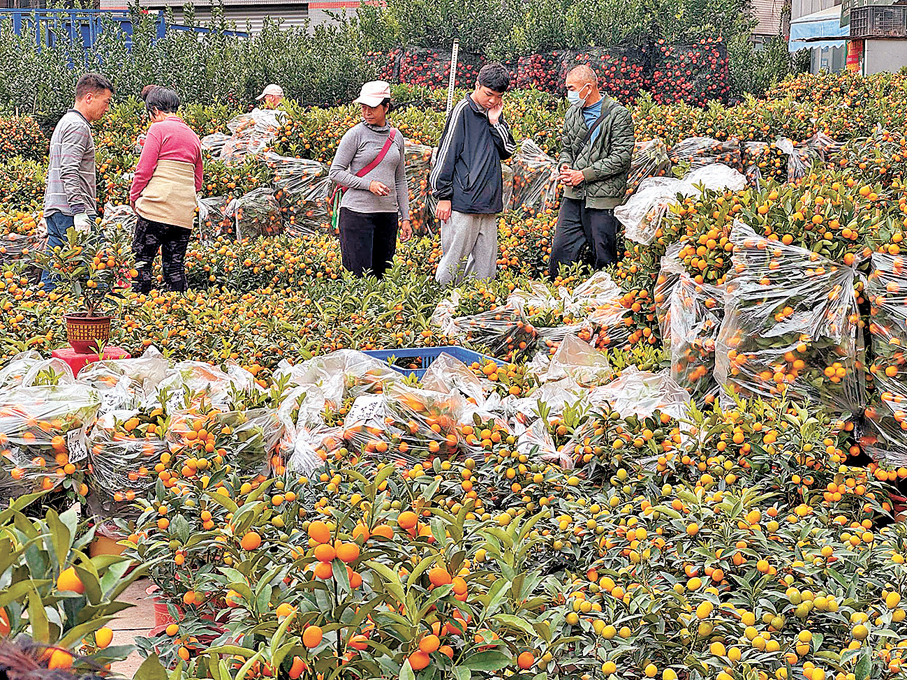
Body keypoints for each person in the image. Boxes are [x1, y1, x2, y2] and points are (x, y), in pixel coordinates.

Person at [430, 63, 516, 286]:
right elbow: (446, 155)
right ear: (477, 85)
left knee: (485, 268)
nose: (492, 101)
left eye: (498, 96)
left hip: (488, 203)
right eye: (488, 94)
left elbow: (508, 150)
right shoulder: (462, 111)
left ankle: (474, 310)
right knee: (454, 263)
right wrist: (443, 196)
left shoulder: (494, 114)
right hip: (462, 202)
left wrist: (496, 123)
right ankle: (441, 307)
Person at [548, 65, 635, 281]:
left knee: (603, 253)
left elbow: (621, 158)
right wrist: (565, 166)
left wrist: (584, 174)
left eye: (571, 88)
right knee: (561, 250)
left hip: (602, 199)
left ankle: (606, 300)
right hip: (573, 195)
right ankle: (558, 297)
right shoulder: (572, 113)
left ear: (589, 87)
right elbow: (566, 148)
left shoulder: (618, 115)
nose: (568, 94)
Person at [329, 81, 412, 279]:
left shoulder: (396, 137)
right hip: (357, 215)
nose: (366, 112)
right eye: (363, 107)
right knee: (359, 277)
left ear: (386, 107)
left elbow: (400, 180)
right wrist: (369, 185)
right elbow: (336, 172)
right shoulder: (355, 134)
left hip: (387, 216)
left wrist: (406, 217)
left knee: (383, 275)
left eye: (372, 107)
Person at [41, 73, 114, 288]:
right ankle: (105, 316)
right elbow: (69, 170)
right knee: (100, 268)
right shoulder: (77, 127)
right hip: (71, 211)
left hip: (56, 208)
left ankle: (47, 314)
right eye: (106, 102)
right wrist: (80, 212)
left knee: (56, 272)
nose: (107, 109)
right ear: (89, 98)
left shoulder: (66, 122)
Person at [129, 86, 203, 295]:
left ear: (154, 109)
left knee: (141, 262)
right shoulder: (193, 136)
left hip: (156, 208)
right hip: (183, 215)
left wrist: (134, 197)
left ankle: (138, 311)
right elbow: (197, 182)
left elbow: (144, 170)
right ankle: (178, 313)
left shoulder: (158, 129)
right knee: (174, 267)